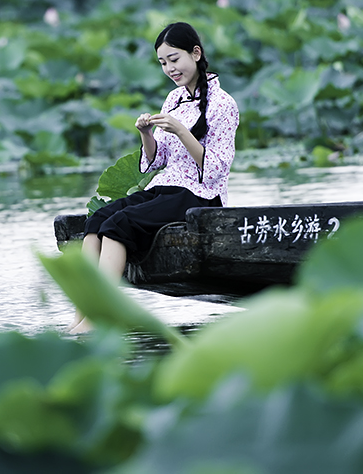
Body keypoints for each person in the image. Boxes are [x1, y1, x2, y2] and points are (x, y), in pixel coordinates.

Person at [68, 22, 239, 333]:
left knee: (118, 225)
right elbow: (156, 160)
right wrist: (146, 134)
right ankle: (81, 316)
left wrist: (182, 131)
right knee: (97, 221)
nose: (169, 69)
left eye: (174, 59)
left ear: (196, 54)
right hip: (166, 187)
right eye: (162, 63)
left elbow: (215, 170)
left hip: (199, 196)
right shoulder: (173, 100)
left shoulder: (224, 104)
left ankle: (102, 317)